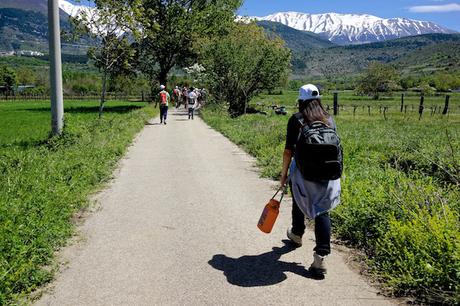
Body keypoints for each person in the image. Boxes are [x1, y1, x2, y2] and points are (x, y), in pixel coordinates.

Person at [280, 84, 341, 277]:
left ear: (300, 101)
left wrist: (283, 174)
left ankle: (297, 234)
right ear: (318, 100)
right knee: (322, 210)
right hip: (328, 173)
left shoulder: (297, 119)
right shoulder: (329, 119)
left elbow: (289, 150)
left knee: (299, 197)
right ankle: (320, 258)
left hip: (303, 173)